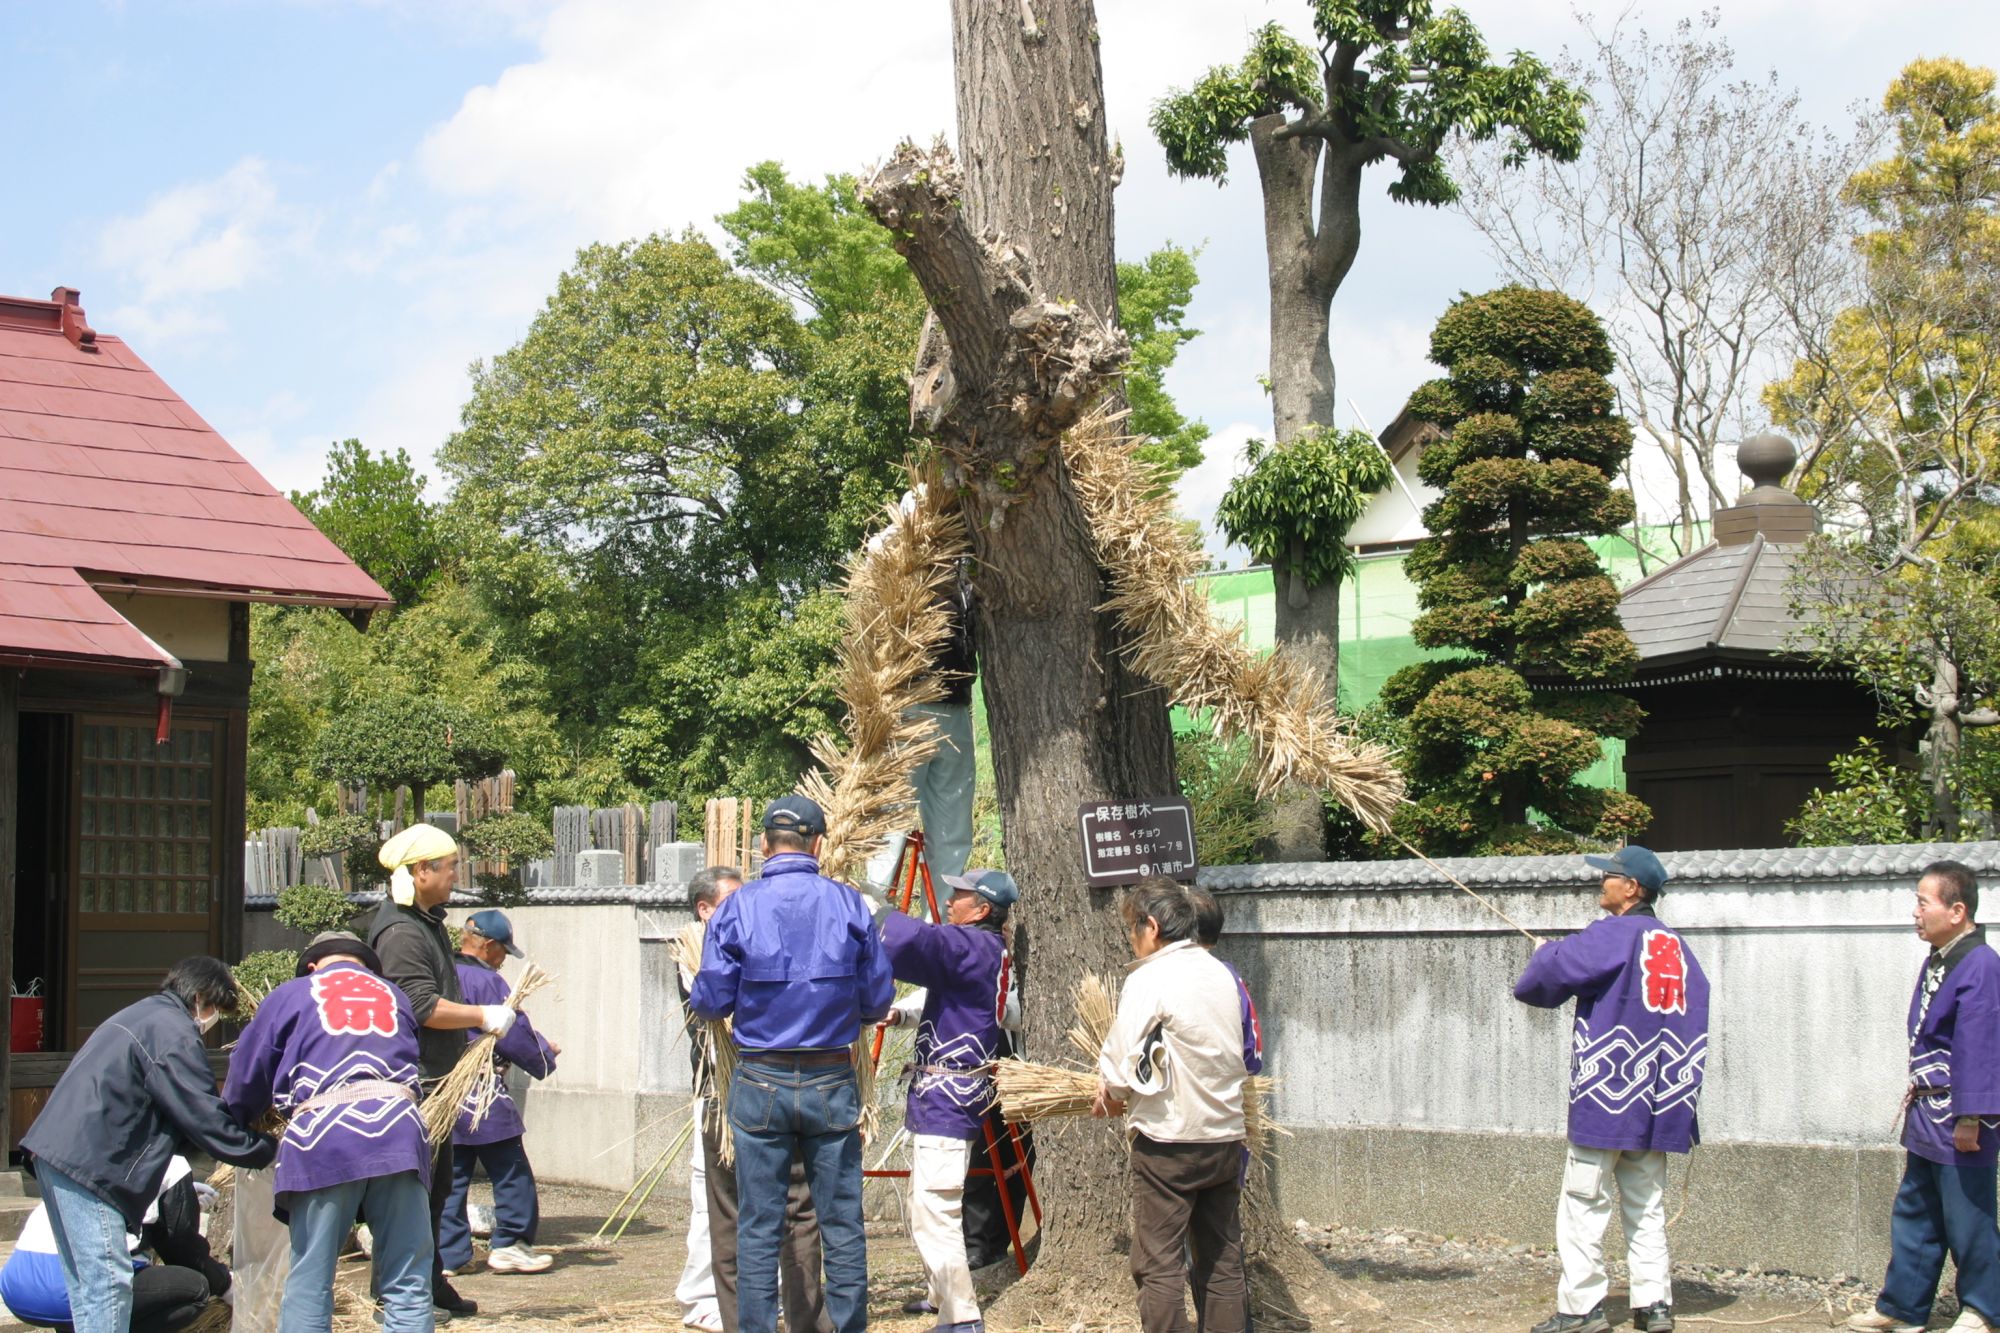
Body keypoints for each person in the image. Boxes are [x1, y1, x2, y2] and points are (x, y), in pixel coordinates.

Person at [691, 796, 895, 1333]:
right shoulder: (852, 907)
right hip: (832, 1077)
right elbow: (877, 1002)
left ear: (762, 844)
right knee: (842, 1222)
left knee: (759, 1224)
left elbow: (710, 1001)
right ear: (818, 844)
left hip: (759, 1078)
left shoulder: (736, 908)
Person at [20, 956, 276, 1333]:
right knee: (109, 1283)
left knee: (88, 1285)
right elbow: (201, 1114)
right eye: (216, 1009)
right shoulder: (171, 1030)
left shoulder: (142, 1015)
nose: (211, 1021)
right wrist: (266, 1149)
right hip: (91, 1166)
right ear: (201, 996)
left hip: (58, 1155)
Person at [1515, 846, 1710, 1333]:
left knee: (1584, 1201)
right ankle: (1654, 1304)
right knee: (1646, 1202)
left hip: (1609, 1096)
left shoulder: (1614, 934)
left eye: (1610, 876)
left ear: (1633, 889)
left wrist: (1545, 953)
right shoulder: (1676, 947)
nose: (1601, 881)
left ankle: (1581, 1308)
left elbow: (1549, 976)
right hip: (1661, 1100)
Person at [223, 931, 435, 1331]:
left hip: (324, 1136)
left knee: (311, 1279)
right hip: (400, 1133)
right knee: (407, 1280)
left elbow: (248, 1073)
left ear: (312, 965)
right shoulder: (394, 995)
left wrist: (236, 1124)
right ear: (365, 966)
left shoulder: (292, 993)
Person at [674, 866, 836, 1333]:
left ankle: (802, 1316)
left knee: (790, 1209)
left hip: (772, 1092)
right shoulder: (693, 953)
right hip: (724, 1099)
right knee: (727, 1214)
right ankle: (741, 1319)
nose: (748, 910)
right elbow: (711, 1004)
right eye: (733, 901)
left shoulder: (758, 942)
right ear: (705, 910)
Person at [368, 822, 519, 1321]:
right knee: (411, 1191)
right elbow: (421, 1006)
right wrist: (481, 1017)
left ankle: (429, 1281)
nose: (456, 875)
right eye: (449, 866)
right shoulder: (400, 931)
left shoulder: (427, 920)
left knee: (436, 1189)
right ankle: (399, 1293)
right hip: (417, 1080)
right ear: (420, 871)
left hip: (438, 1077)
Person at [1847, 860, 2000, 1333]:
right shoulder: (1941, 957)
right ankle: (1904, 1307)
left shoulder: (1981, 964)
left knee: (1968, 1213)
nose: (1915, 912)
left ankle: (1983, 1309)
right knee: (1916, 1208)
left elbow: (1981, 1042)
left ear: (1956, 911)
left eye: (1922, 902)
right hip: (1928, 1110)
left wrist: (1972, 1114)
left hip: (1962, 1113)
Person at [1092, 877, 1250, 1333]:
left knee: (1158, 1264)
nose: (1132, 939)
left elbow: (1121, 1067)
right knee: (1222, 1259)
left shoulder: (1151, 977)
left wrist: (1111, 1091)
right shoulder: (1220, 971)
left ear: (1153, 927)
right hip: (1224, 1136)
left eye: (1133, 929)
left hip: (1169, 1142)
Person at [878, 866, 1021, 1333]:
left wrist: (866, 908)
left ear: (981, 909)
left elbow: (914, 940)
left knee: (936, 1209)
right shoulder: (983, 950)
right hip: (946, 1094)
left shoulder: (971, 946)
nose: (951, 902)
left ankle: (961, 1317)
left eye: (960, 896)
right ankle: (941, 1294)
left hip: (949, 1097)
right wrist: (900, 1015)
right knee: (928, 1201)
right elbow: (939, 989)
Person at [440, 909, 560, 1276]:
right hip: (481, 1091)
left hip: (441, 1089)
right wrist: (544, 1055)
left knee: (451, 1173)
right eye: (503, 951)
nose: (504, 958)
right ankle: (511, 1243)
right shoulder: (486, 982)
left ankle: (448, 1254)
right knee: (510, 1169)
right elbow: (514, 1032)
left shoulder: (438, 972)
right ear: (488, 945)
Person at [1, 1157, 228, 1332]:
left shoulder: (88, 1153)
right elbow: (182, 1250)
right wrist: (226, 1286)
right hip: (66, 1290)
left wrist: (184, 1199)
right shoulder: (171, 1163)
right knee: (194, 1289)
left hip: (19, 1285)